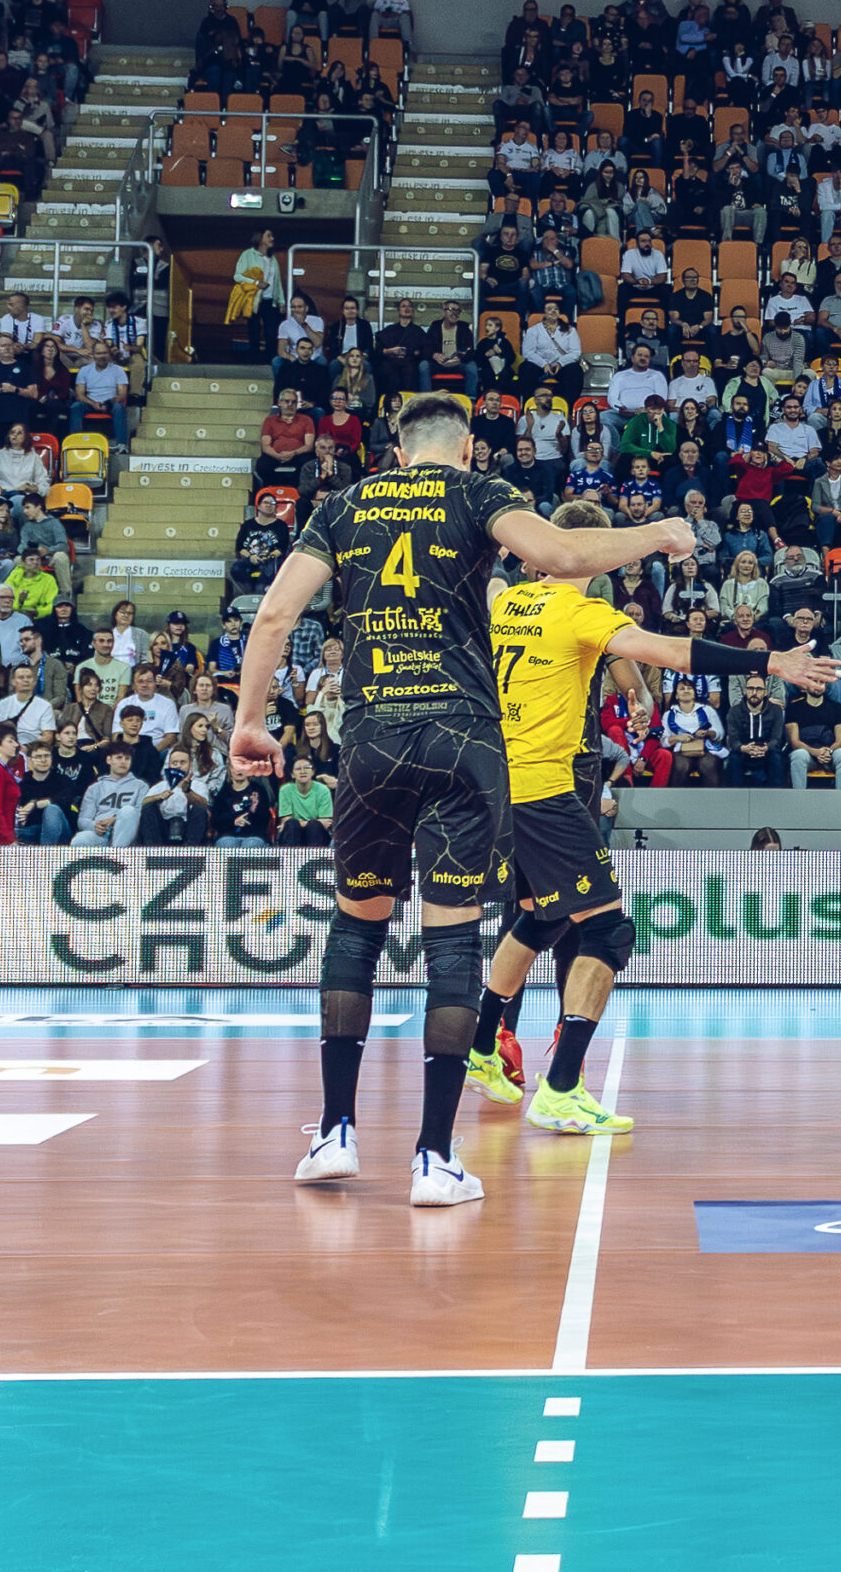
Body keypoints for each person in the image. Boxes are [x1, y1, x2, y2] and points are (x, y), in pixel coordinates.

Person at [229, 392, 693, 1209]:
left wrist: (250, 720)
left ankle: (335, 1132)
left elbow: (273, 614)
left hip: (372, 739)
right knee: (450, 942)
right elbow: (559, 550)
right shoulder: (479, 493)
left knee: (355, 930)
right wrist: (658, 532)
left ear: (398, 452)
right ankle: (434, 1158)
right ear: (469, 447)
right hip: (462, 743)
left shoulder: (343, 504)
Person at [466, 499, 840, 1132]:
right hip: (544, 788)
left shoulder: (504, 603)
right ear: (594, 554)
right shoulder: (582, 611)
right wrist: (770, 661)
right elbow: (674, 652)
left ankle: (481, 1046)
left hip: (496, 786)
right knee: (610, 932)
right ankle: (562, 1089)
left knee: (541, 915)